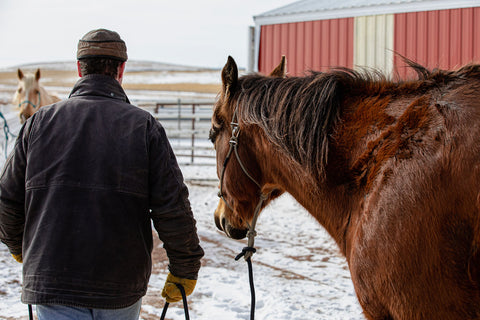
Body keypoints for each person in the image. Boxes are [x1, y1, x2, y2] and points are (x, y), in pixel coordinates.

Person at [0, 28, 204, 319]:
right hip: (119, 286)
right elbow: (172, 206)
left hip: (51, 280)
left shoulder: (37, 125)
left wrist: (20, 245)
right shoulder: (144, 127)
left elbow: (6, 198)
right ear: (121, 70)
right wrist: (185, 268)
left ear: (79, 69)